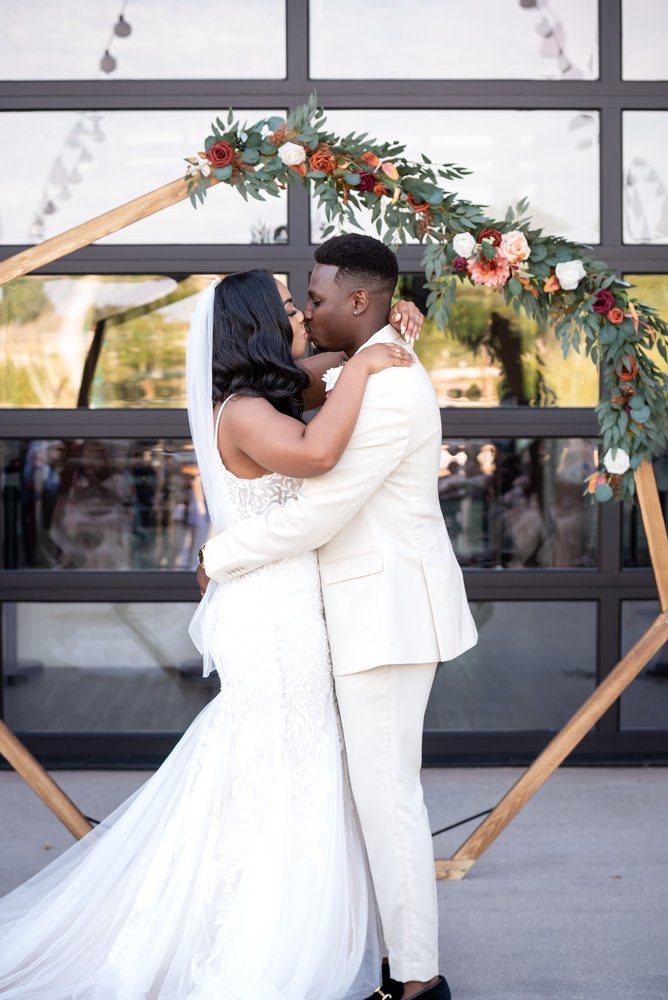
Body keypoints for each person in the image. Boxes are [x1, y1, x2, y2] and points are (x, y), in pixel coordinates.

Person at [0, 269, 418, 999]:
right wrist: (364, 367)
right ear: (258, 324)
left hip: (286, 602)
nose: (303, 317)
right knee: (280, 766)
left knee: (281, 761)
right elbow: (318, 454)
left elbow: (335, 360)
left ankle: (272, 918)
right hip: (269, 613)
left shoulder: (267, 395)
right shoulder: (247, 412)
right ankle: (253, 937)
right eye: (289, 309)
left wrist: (387, 328)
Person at [200, 235, 479, 1000]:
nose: (307, 311)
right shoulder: (365, 365)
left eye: (316, 299)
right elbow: (309, 383)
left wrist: (217, 555)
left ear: (359, 300)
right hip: (361, 611)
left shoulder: (385, 382)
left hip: (385, 615)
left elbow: (318, 512)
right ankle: (398, 964)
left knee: (387, 801)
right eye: (297, 303)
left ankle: (416, 981)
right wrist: (374, 339)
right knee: (373, 799)